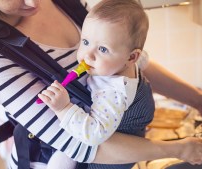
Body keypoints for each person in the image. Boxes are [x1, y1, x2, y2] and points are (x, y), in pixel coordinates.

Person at [0, 0, 202, 168]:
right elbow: (85, 146)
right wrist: (180, 149)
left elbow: (126, 64)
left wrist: (201, 101)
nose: (34, 2)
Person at [39, 0, 154, 168]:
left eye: (103, 49)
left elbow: (94, 134)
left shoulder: (113, 91)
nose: (88, 55)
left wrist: (63, 109)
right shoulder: (120, 66)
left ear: (131, 58)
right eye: (85, 42)